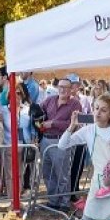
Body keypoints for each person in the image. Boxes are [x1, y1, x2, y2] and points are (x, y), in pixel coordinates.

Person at [38, 78, 84, 209]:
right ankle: (53, 201)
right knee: (48, 172)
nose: (63, 89)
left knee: (62, 173)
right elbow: (39, 112)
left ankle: (64, 202)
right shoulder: (49, 100)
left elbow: (74, 125)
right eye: (60, 86)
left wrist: (53, 123)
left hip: (62, 141)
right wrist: (36, 116)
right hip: (46, 139)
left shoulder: (75, 104)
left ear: (71, 89)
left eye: (66, 87)